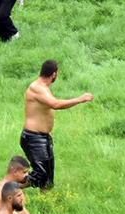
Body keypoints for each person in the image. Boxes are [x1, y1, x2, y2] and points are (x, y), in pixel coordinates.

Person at [21, 60, 94, 190]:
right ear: (54, 74)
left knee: (48, 178)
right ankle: (9, 188)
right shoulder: (37, 88)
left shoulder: (44, 88)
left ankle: (45, 207)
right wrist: (79, 99)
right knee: (40, 174)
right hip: (33, 138)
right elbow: (55, 104)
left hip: (43, 137)